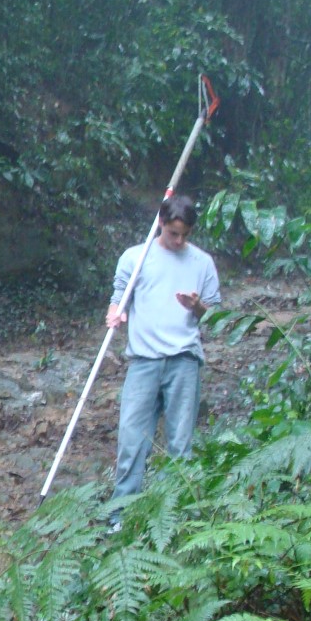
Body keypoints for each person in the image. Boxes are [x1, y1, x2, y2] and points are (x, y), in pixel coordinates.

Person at [106, 194, 220, 524]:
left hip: (184, 360)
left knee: (180, 447)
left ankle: (173, 521)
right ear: (161, 223)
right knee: (131, 442)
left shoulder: (203, 263)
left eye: (186, 234)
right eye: (173, 233)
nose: (180, 240)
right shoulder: (135, 258)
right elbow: (118, 299)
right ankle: (120, 519)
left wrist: (198, 307)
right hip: (143, 361)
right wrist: (115, 315)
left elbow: (215, 317)